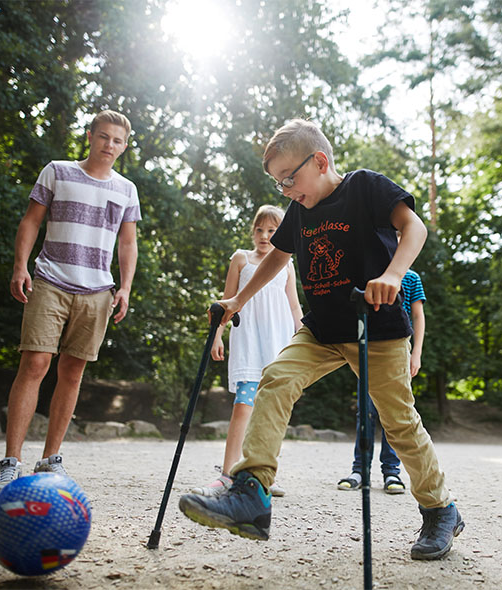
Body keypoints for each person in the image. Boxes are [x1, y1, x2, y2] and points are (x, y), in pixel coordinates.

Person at [179, 119, 463, 561]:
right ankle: (252, 492)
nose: (286, 191)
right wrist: (237, 300)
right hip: (322, 328)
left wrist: (392, 274)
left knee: (399, 423)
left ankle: (440, 508)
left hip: (377, 328)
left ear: (320, 161)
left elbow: (415, 228)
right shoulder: (301, 210)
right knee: (276, 378)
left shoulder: (365, 187)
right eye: (278, 184)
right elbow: (278, 257)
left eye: (290, 179)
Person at [0, 110, 140, 498]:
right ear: (90, 136)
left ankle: (51, 459)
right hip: (51, 280)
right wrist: (20, 266)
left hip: (97, 291)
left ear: (125, 146)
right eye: (104, 137)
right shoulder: (57, 171)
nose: (110, 145)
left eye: (117, 141)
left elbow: (127, 243)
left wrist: (124, 288)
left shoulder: (126, 189)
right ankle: (10, 464)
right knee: (35, 364)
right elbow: (30, 222)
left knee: (72, 374)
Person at [190, 204, 302, 499]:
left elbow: (294, 307)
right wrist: (217, 336)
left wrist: (304, 338)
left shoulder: (286, 264)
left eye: (272, 230)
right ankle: (227, 475)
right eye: (260, 230)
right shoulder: (241, 259)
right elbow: (227, 301)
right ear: (253, 231)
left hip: (278, 344)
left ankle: (264, 474)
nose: (264, 236)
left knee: (273, 411)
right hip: (250, 342)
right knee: (244, 406)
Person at [337, 266, 425, 494]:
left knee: (393, 414)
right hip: (370, 349)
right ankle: (359, 470)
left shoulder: (412, 278)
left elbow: (418, 315)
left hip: (397, 351)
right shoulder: (370, 271)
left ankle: (392, 472)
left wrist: (416, 354)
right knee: (365, 412)